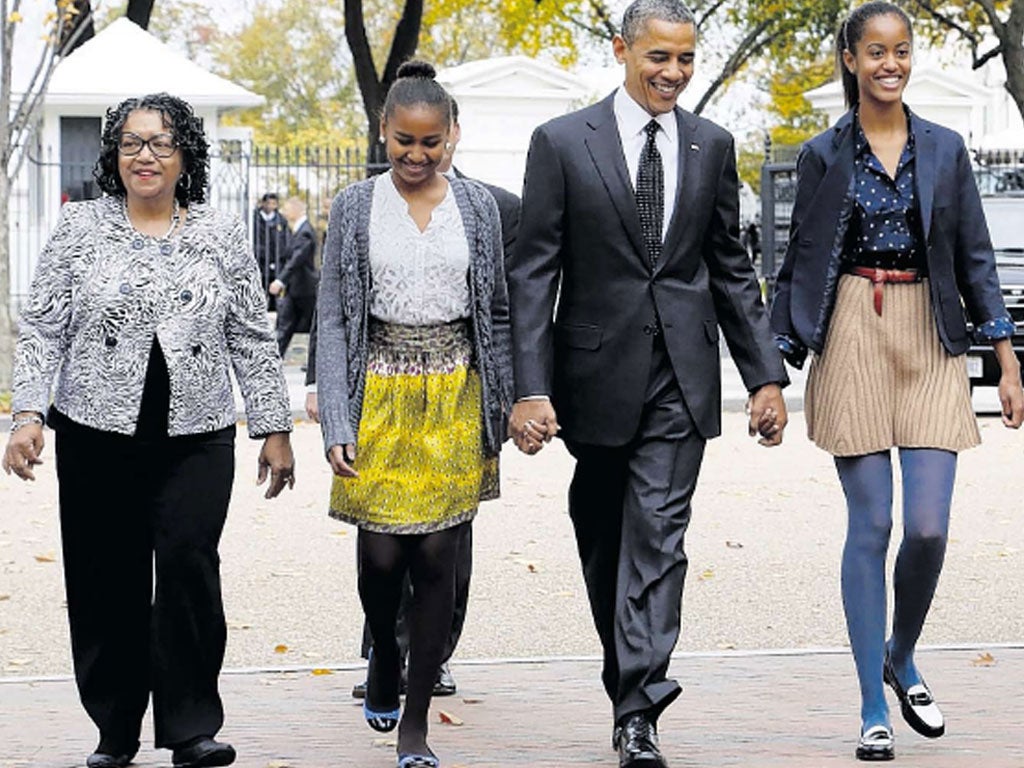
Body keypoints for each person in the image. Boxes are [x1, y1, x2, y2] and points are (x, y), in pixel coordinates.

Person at [505, 1, 789, 766]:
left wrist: (764, 375)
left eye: (686, 59)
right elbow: (534, 272)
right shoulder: (562, 143)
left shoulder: (712, 145)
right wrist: (529, 388)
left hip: (682, 378)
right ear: (622, 50)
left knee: (658, 536)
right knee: (604, 537)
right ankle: (627, 676)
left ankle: (639, 710)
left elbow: (730, 265)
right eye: (659, 57)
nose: (673, 74)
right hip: (593, 376)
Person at [1, 93, 296, 768]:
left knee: (191, 567)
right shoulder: (79, 231)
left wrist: (274, 427)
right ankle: (114, 728)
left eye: (160, 143)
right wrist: (27, 415)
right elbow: (44, 327)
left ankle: (192, 726)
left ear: (184, 152)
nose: (145, 156)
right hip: (97, 430)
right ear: (114, 155)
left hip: (197, 431)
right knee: (108, 577)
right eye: (131, 144)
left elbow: (251, 336)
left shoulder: (221, 236)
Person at [770, 2, 1024, 761]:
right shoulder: (823, 153)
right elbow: (801, 260)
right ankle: (872, 704)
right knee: (872, 523)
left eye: (902, 50)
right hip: (851, 325)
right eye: (875, 51)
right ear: (850, 59)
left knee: (928, 527)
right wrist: (769, 373)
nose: (890, 62)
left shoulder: (946, 149)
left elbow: (976, 256)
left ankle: (901, 650)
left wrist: (1007, 361)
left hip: (930, 332)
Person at [316, 61, 512, 768]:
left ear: (454, 136)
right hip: (380, 391)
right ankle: (380, 655)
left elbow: (495, 310)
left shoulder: (480, 208)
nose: (416, 155)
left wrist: (509, 401)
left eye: (432, 143)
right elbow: (335, 319)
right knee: (379, 556)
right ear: (383, 129)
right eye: (404, 140)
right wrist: (336, 417)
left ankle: (416, 724)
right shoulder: (354, 206)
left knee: (437, 556)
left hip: (456, 390)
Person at [269, 196, 318, 357]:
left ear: (297, 210)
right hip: (295, 289)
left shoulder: (305, 232)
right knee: (284, 327)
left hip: (305, 289)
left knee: (314, 329)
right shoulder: (297, 229)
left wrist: (280, 280)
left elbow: (296, 260)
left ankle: (316, 367)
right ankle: (273, 363)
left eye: (287, 208)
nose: (284, 212)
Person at [252, 192, 288, 310]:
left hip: (276, 258)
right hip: (259, 258)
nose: (271, 206)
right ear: (263, 203)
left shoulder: (281, 220)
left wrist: (281, 256)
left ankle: (273, 310)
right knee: (259, 288)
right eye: (268, 203)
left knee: (274, 288)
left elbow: (283, 240)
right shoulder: (255, 218)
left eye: (274, 203)